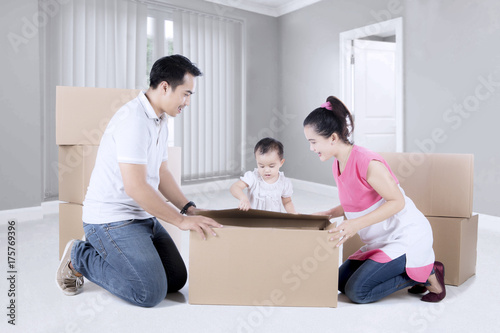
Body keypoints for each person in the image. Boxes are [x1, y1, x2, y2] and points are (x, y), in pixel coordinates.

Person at [56, 55, 222, 307]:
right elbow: (136, 187)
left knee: (175, 280)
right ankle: (80, 257)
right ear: (165, 87)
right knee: (149, 293)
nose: (187, 102)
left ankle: (113, 254)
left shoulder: (160, 119)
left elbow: (162, 172)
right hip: (110, 220)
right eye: (186, 94)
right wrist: (181, 221)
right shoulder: (133, 120)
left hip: (142, 217)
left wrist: (188, 208)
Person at [303, 96, 446, 304]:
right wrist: (329, 213)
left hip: (405, 236)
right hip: (380, 239)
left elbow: (397, 202)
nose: (311, 148)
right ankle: (415, 270)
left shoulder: (367, 161)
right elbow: (357, 201)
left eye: (313, 142)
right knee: (340, 283)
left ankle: (427, 272)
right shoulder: (338, 164)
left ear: (333, 138)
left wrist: (354, 225)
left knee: (357, 292)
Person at [230, 137, 297, 213]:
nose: (266, 170)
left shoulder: (284, 182)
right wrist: (243, 198)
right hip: (254, 218)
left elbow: (287, 202)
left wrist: (293, 214)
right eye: (261, 166)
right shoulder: (253, 177)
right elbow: (235, 187)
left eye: (271, 166)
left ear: (281, 163)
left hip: (273, 219)